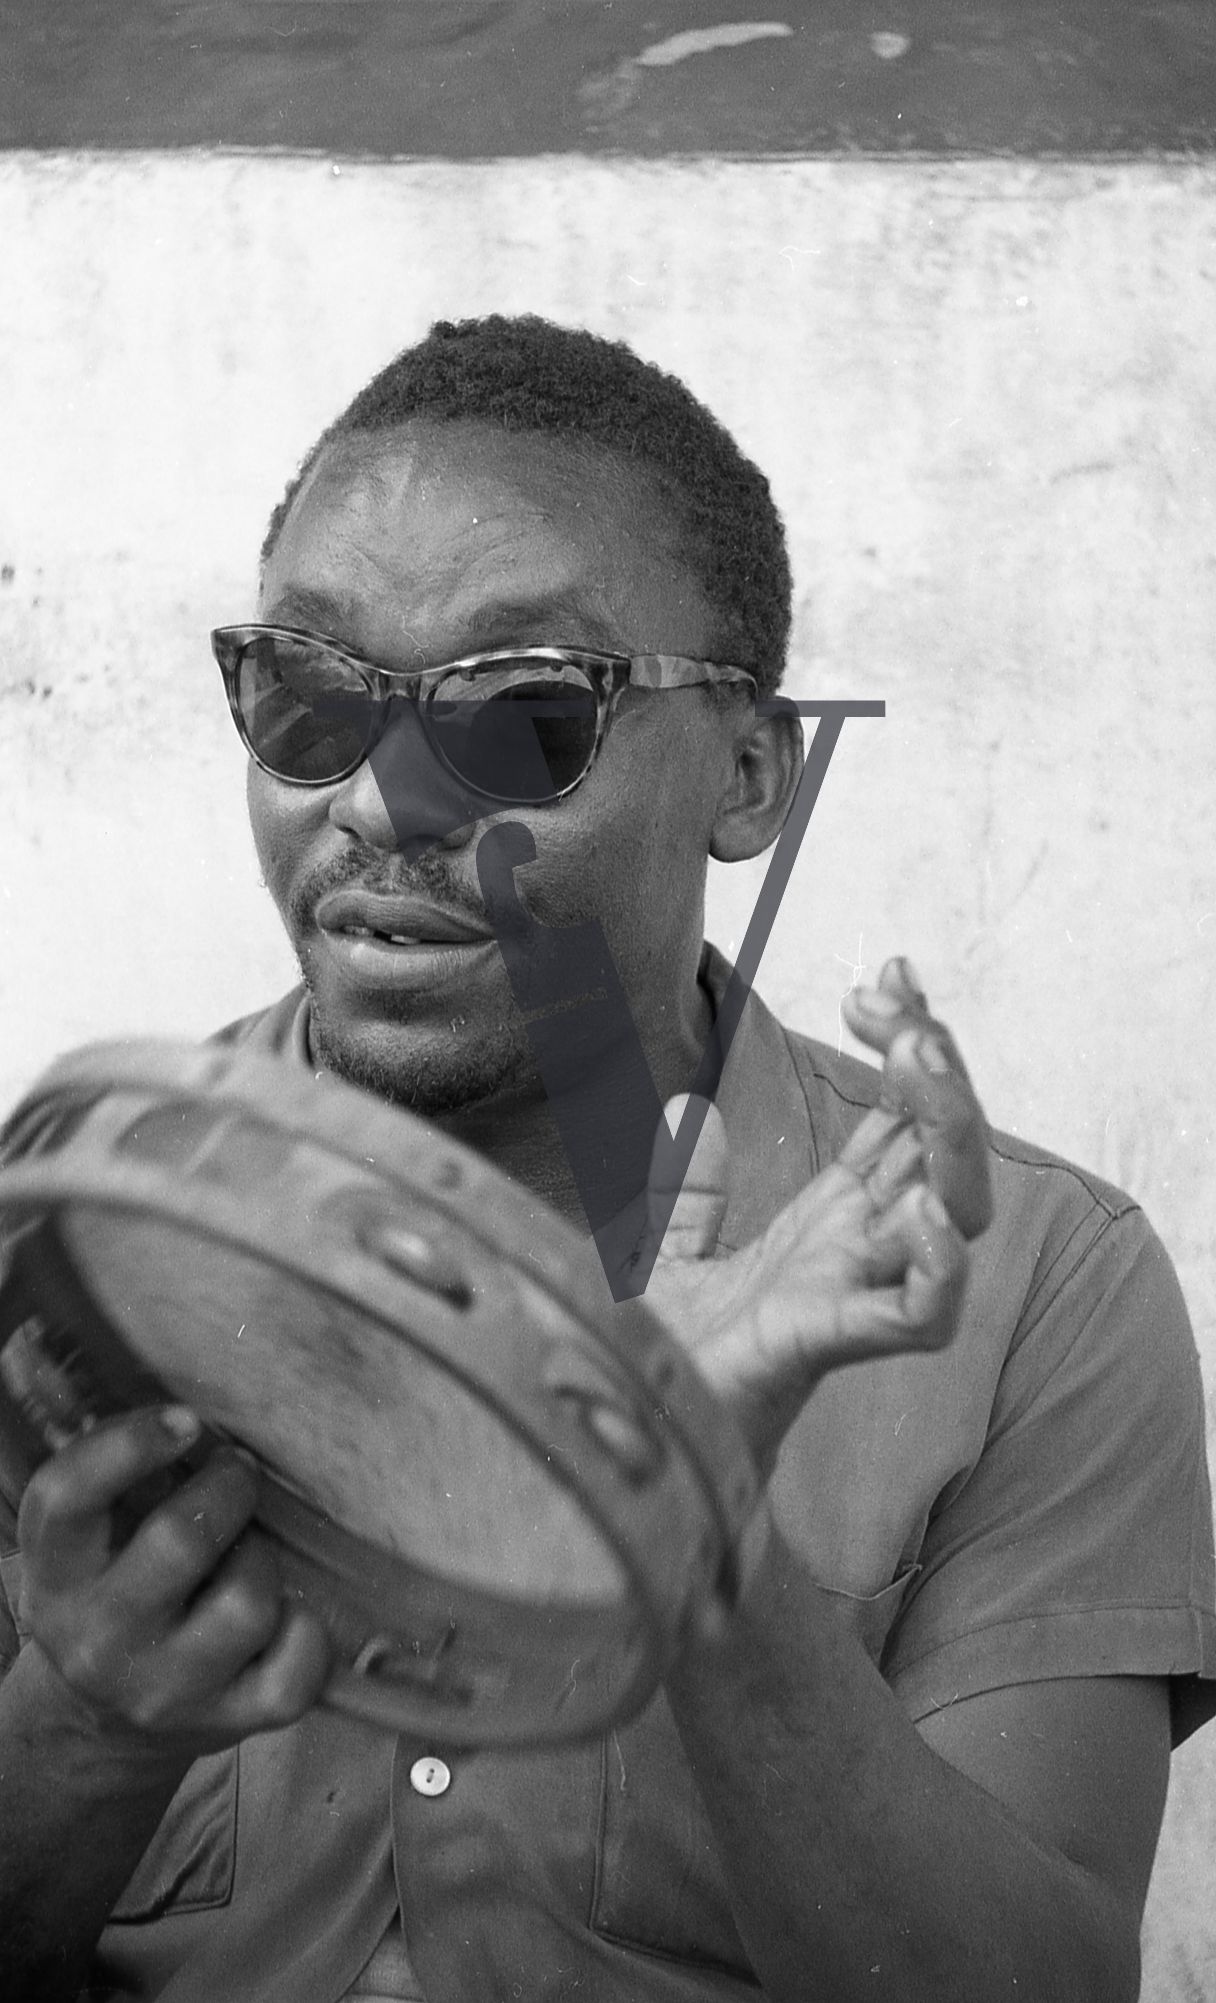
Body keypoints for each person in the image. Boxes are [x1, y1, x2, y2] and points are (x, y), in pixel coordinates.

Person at [1, 315, 1213, 2003]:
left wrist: (706, 1560)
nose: (380, 803)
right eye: (310, 694)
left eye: (516, 717)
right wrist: (88, 1723)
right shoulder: (69, 1253)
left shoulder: (1027, 1290)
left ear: (745, 773)